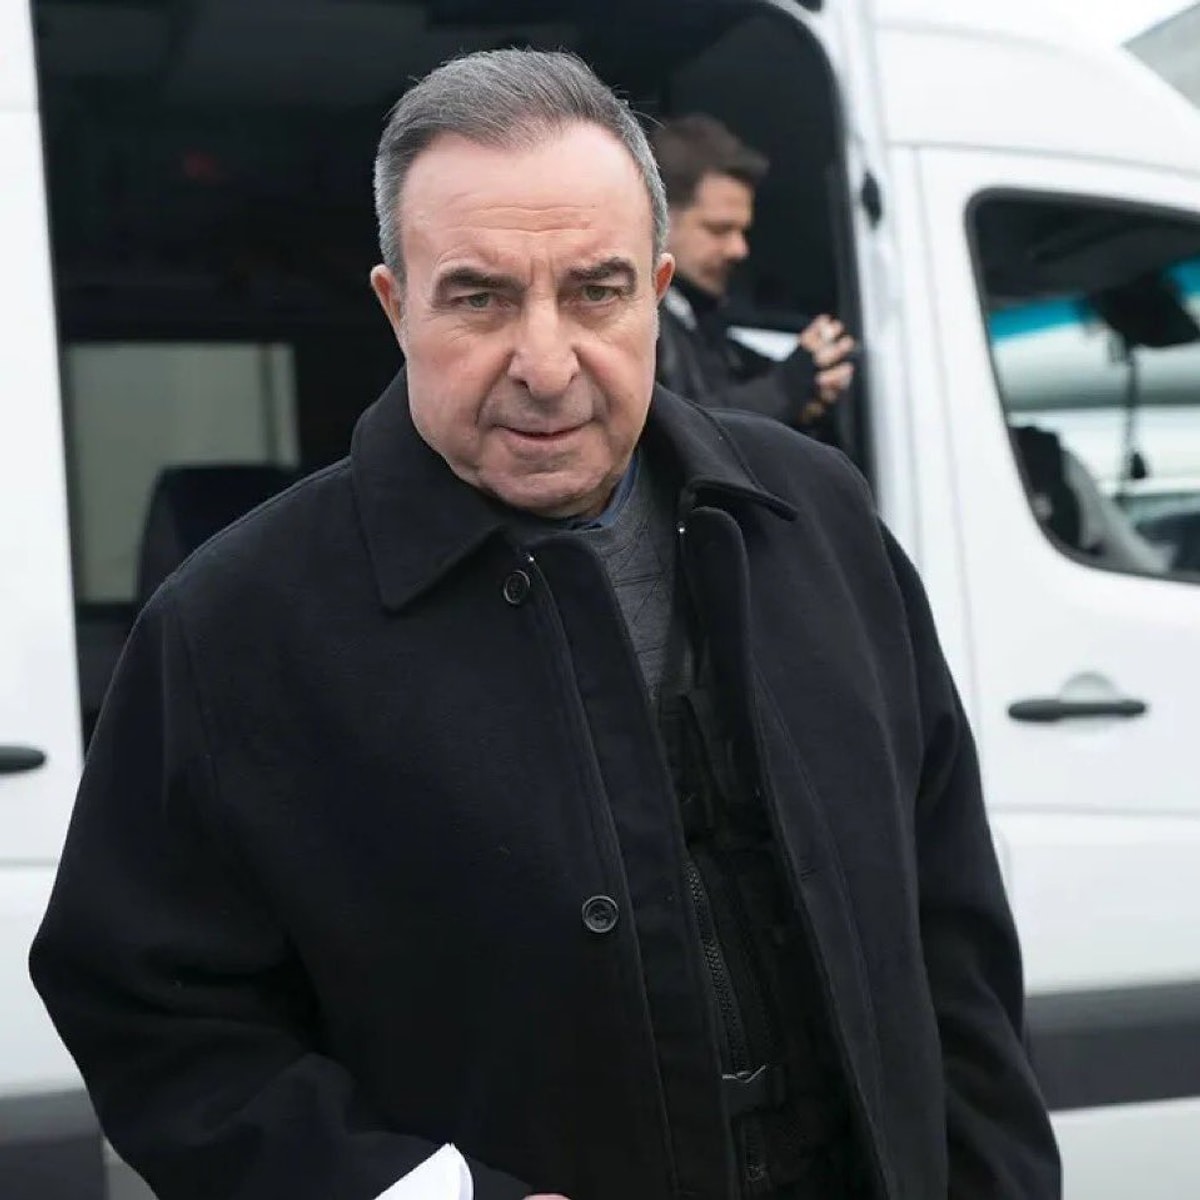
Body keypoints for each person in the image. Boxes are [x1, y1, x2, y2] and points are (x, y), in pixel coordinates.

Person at [31, 48, 1060, 1200]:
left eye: (595, 291)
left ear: (657, 291)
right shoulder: (232, 629)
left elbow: (952, 934)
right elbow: (155, 1022)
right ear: (396, 306)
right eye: (479, 297)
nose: (545, 362)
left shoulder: (816, 519)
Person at [652, 114, 856, 433]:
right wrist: (785, 388)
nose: (739, 249)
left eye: (742, 232)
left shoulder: (699, 321)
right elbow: (676, 431)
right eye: (719, 229)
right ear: (660, 220)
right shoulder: (641, 322)